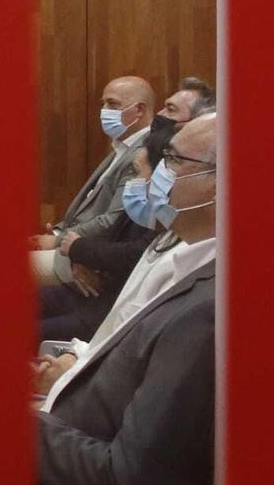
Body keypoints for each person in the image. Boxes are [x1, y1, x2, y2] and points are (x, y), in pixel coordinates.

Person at [33, 114, 220, 485]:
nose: (158, 172)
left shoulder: (207, 308)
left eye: (173, 160)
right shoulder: (183, 255)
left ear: (218, 183)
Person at [37, 77, 217, 340]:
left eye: (174, 161)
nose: (161, 116)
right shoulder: (167, 220)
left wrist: (75, 247)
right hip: (96, 290)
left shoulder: (192, 234)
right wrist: (80, 254)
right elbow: (120, 233)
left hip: (101, 309)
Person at [30, 76, 156, 255]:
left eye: (112, 104)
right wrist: (58, 231)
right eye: (103, 104)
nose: (104, 111)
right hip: (71, 242)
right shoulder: (121, 147)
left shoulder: (143, 153)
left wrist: (58, 240)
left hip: (91, 254)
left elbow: (114, 219)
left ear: (139, 110)